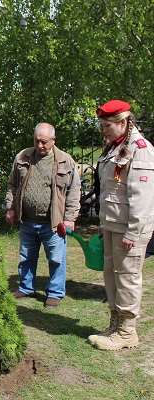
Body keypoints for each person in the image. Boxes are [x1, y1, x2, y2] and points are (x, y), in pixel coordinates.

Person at [87, 100, 154, 351]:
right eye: (102, 125)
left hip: (130, 229)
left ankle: (127, 332)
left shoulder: (140, 149)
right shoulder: (114, 148)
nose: (103, 130)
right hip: (113, 225)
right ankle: (115, 324)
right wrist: (104, 224)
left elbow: (142, 196)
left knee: (127, 277)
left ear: (123, 122)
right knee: (111, 275)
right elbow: (109, 191)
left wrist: (133, 232)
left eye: (107, 125)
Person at [5, 122, 81, 308]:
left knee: (56, 258)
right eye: (37, 141)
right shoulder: (23, 157)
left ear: (54, 140)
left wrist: (70, 218)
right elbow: (12, 185)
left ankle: (55, 292)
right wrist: (11, 207)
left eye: (44, 142)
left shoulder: (65, 160)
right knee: (26, 257)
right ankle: (26, 286)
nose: (40, 145)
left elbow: (74, 191)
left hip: (53, 223)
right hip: (27, 220)